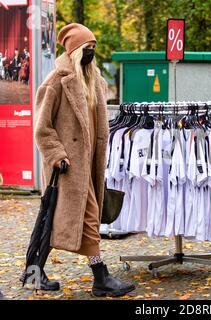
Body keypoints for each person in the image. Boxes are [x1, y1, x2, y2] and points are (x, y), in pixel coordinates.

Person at [25, 23, 135, 297]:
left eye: (94, 48)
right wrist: (57, 154)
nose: (92, 53)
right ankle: (101, 277)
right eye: (88, 48)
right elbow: (42, 127)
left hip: (88, 165)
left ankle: (33, 272)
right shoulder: (55, 81)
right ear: (75, 51)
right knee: (84, 219)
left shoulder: (95, 80)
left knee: (54, 221)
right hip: (66, 168)